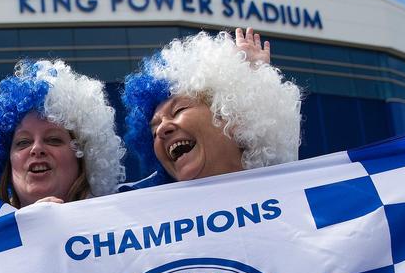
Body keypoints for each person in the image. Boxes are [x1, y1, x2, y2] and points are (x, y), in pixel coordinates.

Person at [121, 28, 301, 188]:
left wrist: (253, 77)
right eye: (153, 132)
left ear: (234, 116)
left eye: (178, 111)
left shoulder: (296, 199)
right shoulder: (145, 215)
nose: (161, 129)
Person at [0, 59, 125, 218]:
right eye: (23, 143)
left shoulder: (120, 228)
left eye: (53, 140)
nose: (36, 148)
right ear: (7, 162)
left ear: (83, 157)